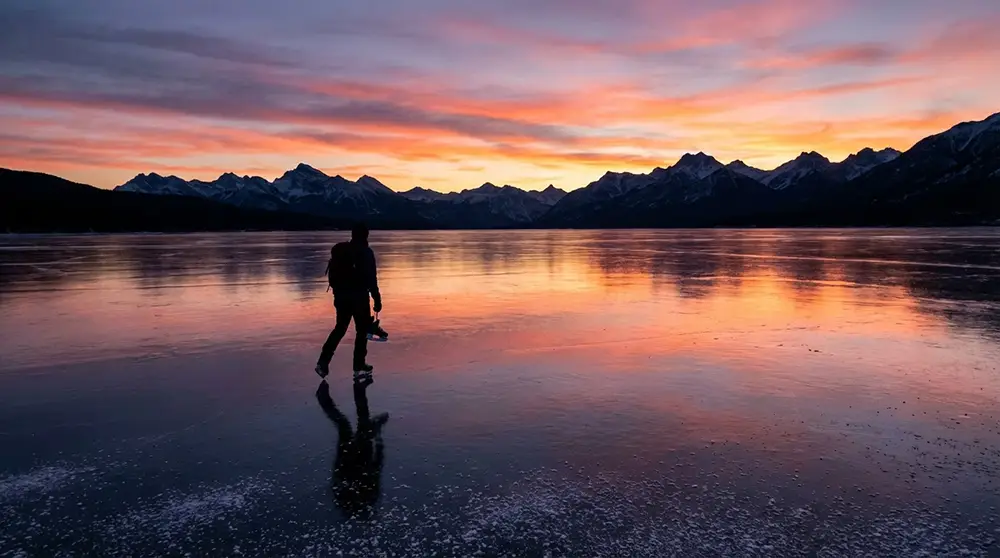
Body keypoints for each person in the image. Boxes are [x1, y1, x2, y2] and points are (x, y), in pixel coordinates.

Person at [316, 223, 382, 380]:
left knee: (340, 328)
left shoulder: (342, 251)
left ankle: (322, 362)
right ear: (366, 236)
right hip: (359, 297)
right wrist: (377, 298)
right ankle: (359, 366)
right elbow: (371, 278)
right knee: (362, 331)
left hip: (341, 296)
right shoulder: (366, 253)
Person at [315, 379, 388, 520]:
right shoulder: (370, 495)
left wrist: (379, 444)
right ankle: (359, 390)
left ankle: (326, 398)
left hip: (350, 461)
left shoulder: (364, 495)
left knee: (347, 426)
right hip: (358, 459)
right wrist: (379, 444)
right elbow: (377, 467)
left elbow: (376, 468)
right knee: (356, 424)